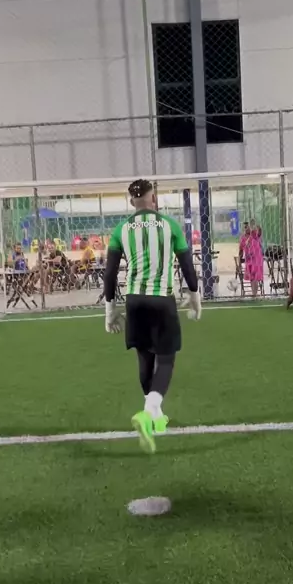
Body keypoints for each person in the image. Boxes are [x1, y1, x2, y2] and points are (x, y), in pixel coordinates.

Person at [103, 179, 201, 454]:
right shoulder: (169, 225)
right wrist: (194, 295)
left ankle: (157, 417)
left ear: (131, 201)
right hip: (161, 299)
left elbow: (109, 274)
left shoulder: (121, 229)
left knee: (145, 358)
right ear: (153, 198)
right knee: (166, 359)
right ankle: (149, 411)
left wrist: (110, 309)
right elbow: (187, 265)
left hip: (135, 301)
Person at [239, 220, 264, 298]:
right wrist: (239, 262)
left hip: (256, 259)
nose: (246, 228)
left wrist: (254, 226)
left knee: (255, 276)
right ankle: (254, 293)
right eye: (245, 227)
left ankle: (254, 294)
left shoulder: (254, 235)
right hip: (249, 259)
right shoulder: (243, 238)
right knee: (251, 277)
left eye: (247, 226)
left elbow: (259, 232)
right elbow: (241, 250)